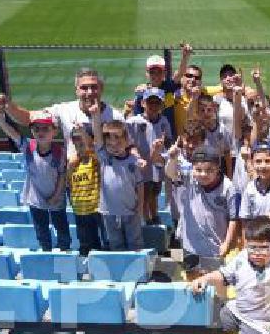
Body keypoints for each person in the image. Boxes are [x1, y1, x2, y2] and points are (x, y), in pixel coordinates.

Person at [0, 67, 123, 161]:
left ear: (101, 89)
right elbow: (29, 118)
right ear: (76, 90)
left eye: (94, 87)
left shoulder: (115, 116)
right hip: (78, 184)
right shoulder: (64, 110)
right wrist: (8, 105)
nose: (89, 92)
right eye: (84, 88)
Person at [0, 109, 71, 251]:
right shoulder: (29, 147)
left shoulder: (60, 152)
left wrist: (56, 196)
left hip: (56, 199)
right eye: (36, 129)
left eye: (46, 129)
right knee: (41, 230)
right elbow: (13, 134)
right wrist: (0, 121)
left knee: (62, 229)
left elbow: (62, 176)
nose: (41, 132)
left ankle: (64, 253)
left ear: (55, 131)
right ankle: (46, 252)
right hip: (35, 199)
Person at [166, 146, 238, 280]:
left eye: (209, 170)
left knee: (213, 280)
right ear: (192, 168)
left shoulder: (228, 188)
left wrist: (227, 244)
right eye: (198, 170)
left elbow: (234, 219)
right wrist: (172, 159)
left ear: (218, 168)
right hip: (189, 242)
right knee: (189, 275)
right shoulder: (190, 179)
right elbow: (171, 173)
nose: (203, 174)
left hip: (214, 246)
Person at [91, 107, 146, 251]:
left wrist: (140, 206)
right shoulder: (105, 157)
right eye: (109, 144)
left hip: (131, 209)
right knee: (115, 242)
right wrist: (95, 116)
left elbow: (140, 185)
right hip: (109, 211)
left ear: (127, 141)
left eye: (118, 143)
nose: (114, 147)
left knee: (135, 241)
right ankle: (120, 269)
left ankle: (136, 268)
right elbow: (97, 137)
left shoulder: (133, 160)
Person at [126, 88, 173, 225]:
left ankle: (155, 215)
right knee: (144, 195)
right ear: (142, 103)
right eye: (150, 102)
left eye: (157, 103)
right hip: (141, 166)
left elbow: (168, 140)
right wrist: (137, 157)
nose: (153, 106)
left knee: (154, 193)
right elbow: (129, 144)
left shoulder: (164, 121)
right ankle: (147, 220)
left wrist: (163, 147)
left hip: (157, 166)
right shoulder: (133, 122)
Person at [67, 123, 103, 256]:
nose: (79, 147)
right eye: (76, 144)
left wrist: (84, 134)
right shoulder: (73, 163)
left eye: (82, 143)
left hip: (95, 209)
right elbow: (69, 184)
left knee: (97, 242)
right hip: (79, 210)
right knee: (84, 242)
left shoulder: (94, 160)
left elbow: (94, 150)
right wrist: (70, 168)